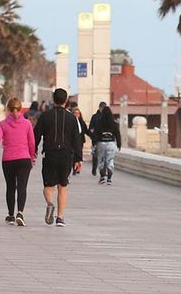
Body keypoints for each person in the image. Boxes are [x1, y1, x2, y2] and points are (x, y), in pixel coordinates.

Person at [36, 88, 84, 226]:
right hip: (66, 155)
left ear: (53, 99)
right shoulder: (72, 118)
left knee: (48, 185)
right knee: (62, 186)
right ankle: (60, 217)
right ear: (66, 100)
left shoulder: (45, 116)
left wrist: (33, 151)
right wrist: (78, 158)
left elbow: (36, 135)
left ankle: (50, 204)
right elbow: (77, 139)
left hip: (50, 154)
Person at [0, 97, 36, 226]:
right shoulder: (27, 124)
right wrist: (32, 158)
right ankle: (20, 212)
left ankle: (11, 215)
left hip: (8, 160)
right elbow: (32, 143)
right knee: (22, 187)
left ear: (8, 109)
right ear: (20, 109)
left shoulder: (3, 124)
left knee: (10, 187)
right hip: (24, 159)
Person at [89, 102, 120, 185]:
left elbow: (95, 134)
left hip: (101, 143)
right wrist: (119, 145)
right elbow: (117, 134)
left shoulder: (99, 123)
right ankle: (109, 178)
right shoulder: (114, 124)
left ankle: (103, 177)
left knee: (101, 160)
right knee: (110, 160)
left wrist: (94, 143)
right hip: (111, 143)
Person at [67, 100, 88, 176]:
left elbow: (86, 130)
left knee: (78, 154)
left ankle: (76, 168)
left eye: (78, 113)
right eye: (75, 113)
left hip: (80, 141)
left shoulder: (81, 122)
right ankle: (73, 167)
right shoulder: (71, 121)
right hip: (72, 141)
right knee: (72, 155)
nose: (76, 114)